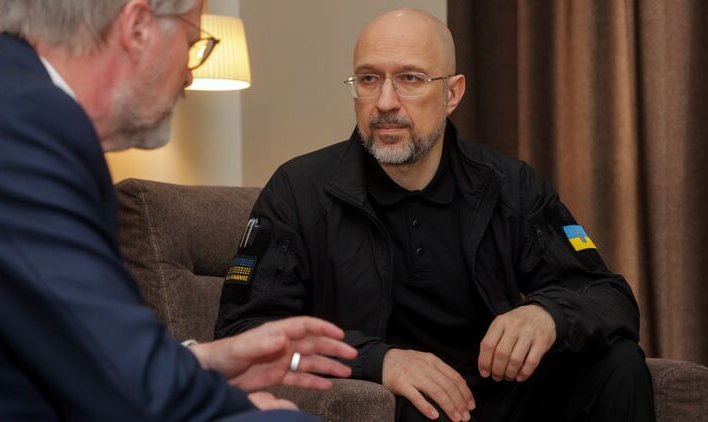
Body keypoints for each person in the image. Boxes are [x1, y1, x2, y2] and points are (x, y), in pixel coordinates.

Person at [214, 8, 656, 422]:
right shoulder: (299, 191)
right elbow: (242, 331)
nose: (385, 102)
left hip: (502, 398)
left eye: (410, 79)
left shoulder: (510, 186)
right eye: (369, 79)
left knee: (618, 365)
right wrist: (378, 360)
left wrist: (548, 314)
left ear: (452, 93)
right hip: (394, 406)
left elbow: (609, 296)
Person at [0, 0, 358, 420]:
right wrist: (239, 404)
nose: (189, 75)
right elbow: (125, 382)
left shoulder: (16, 102)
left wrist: (209, 360)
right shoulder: (23, 121)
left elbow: (81, 341)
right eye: (193, 44)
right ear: (138, 29)